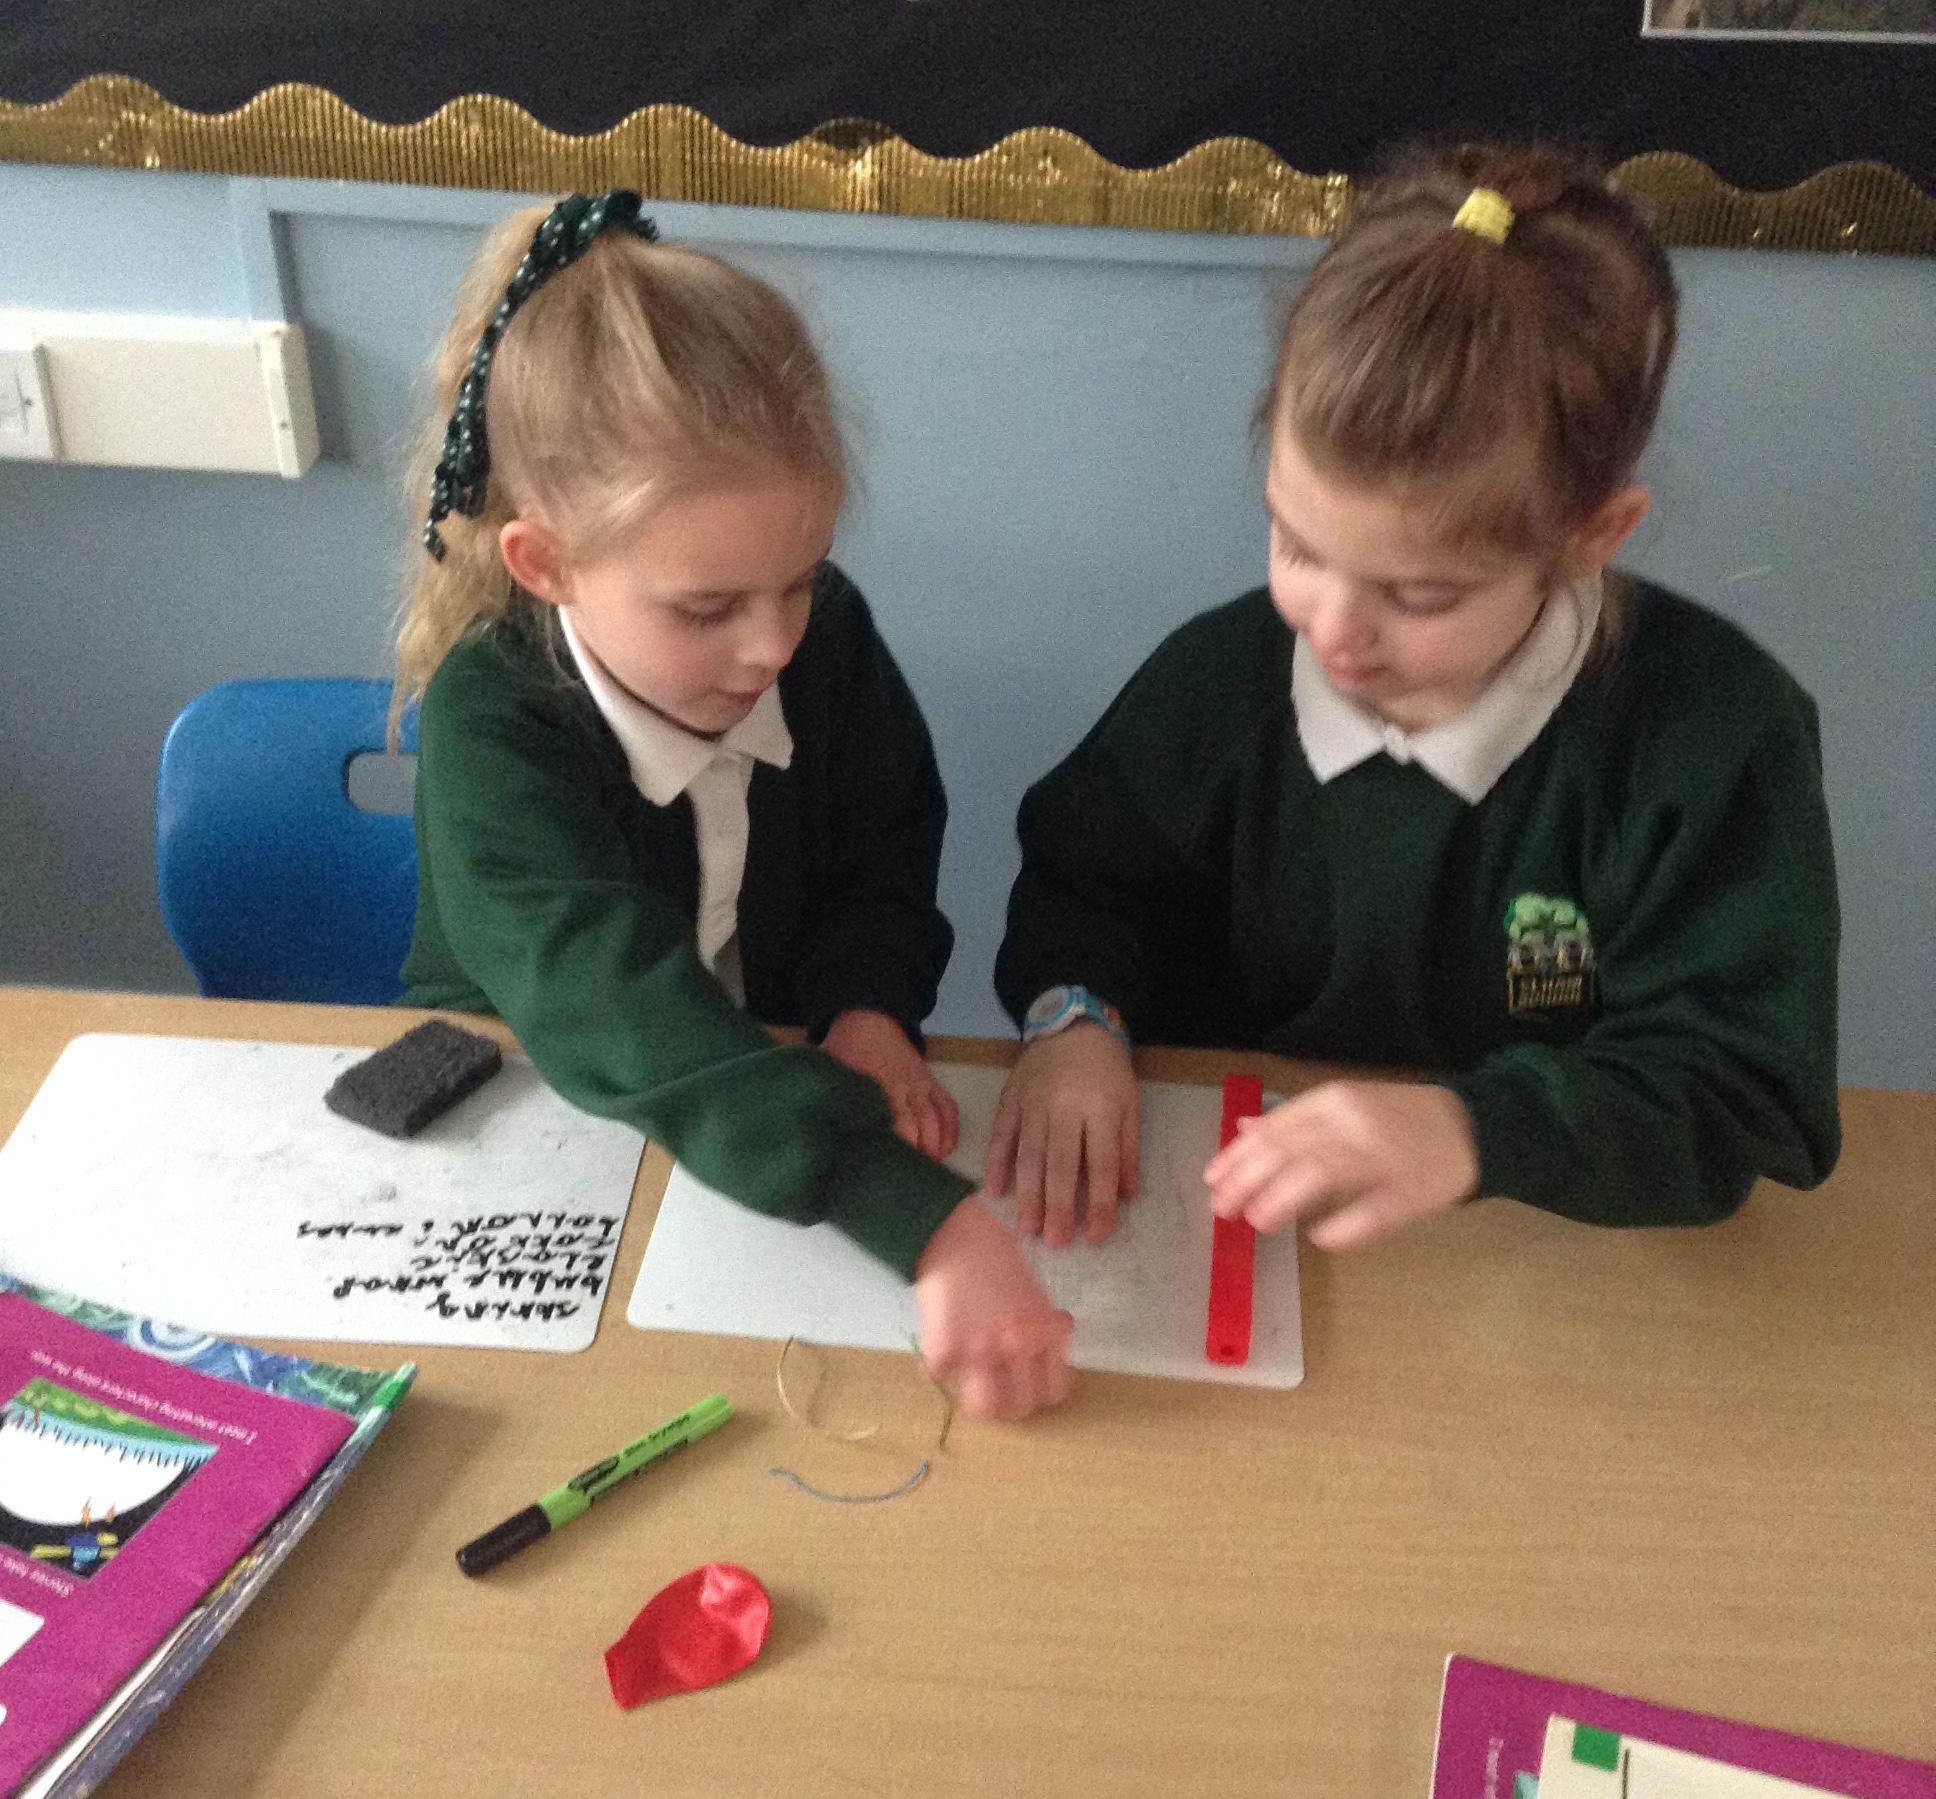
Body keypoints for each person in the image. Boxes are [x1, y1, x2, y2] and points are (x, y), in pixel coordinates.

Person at [987, 143, 1840, 1254]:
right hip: (1240, 1217)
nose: (1334, 629)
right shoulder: (1218, 682)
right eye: (1297, 546)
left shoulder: (1715, 738)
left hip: (1549, 1253)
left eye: (1421, 595)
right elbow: (1085, 889)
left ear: (1591, 536)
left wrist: (1475, 1129)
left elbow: (1742, 1090)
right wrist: (1074, 1021)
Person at [393, 192, 1071, 1418]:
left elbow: (884, 855)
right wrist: (921, 1220)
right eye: (707, 609)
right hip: (534, 1121)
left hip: (755, 1111)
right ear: (546, 565)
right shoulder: (492, 719)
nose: (772, 644)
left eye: (799, 580)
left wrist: (864, 1004)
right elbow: (616, 1008)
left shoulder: (827, 640)